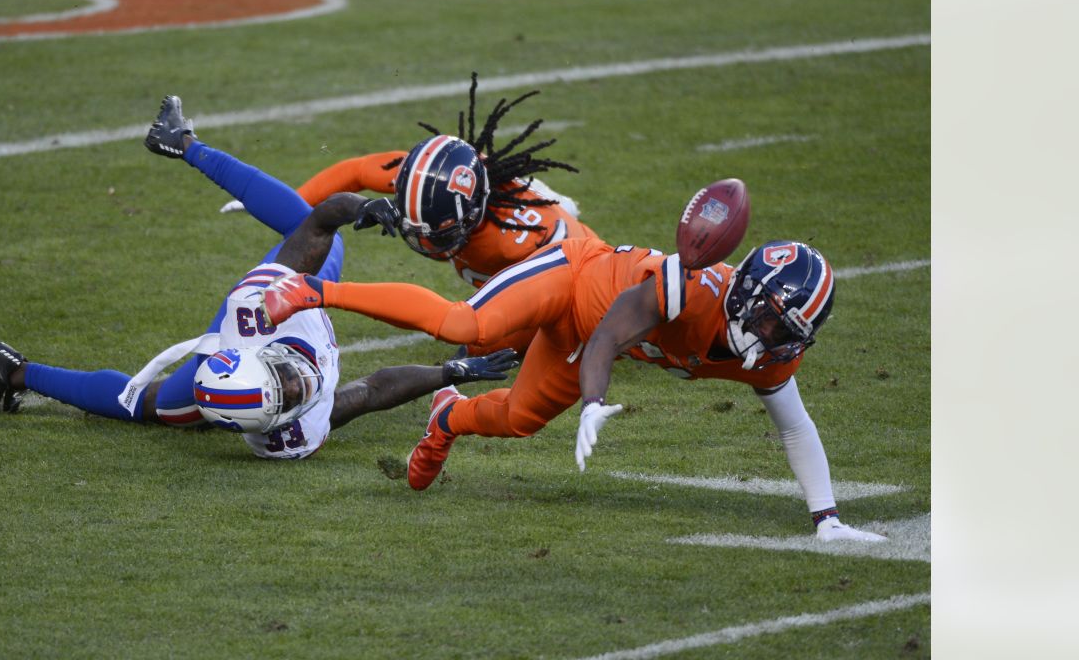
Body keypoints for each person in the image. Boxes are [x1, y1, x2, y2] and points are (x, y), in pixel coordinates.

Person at [0, 95, 515, 460]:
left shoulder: (259, 312)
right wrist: (455, 370)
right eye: (289, 391)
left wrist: (366, 208)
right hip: (246, 352)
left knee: (316, 233)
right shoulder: (295, 431)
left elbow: (320, 217)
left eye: (281, 377)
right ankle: (14, 372)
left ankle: (184, 144)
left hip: (266, 315)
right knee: (151, 410)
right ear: (275, 419)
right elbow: (372, 391)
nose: (300, 381)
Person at [263, 234, 886, 541]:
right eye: (778, 319)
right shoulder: (692, 289)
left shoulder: (767, 358)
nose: (779, 337)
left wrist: (826, 518)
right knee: (467, 323)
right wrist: (593, 401)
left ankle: (446, 416)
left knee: (517, 419)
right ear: (750, 295)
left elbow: (795, 426)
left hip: (580, 345)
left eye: (792, 329)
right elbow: (613, 334)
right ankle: (315, 290)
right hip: (572, 278)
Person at [227, 73, 598, 355]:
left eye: (436, 230)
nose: (422, 239)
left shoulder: (517, 244)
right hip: (529, 237)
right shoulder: (428, 178)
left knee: (484, 340)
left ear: (472, 214)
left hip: (575, 271)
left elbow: (539, 305)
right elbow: (355, 171)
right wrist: (290, 206)